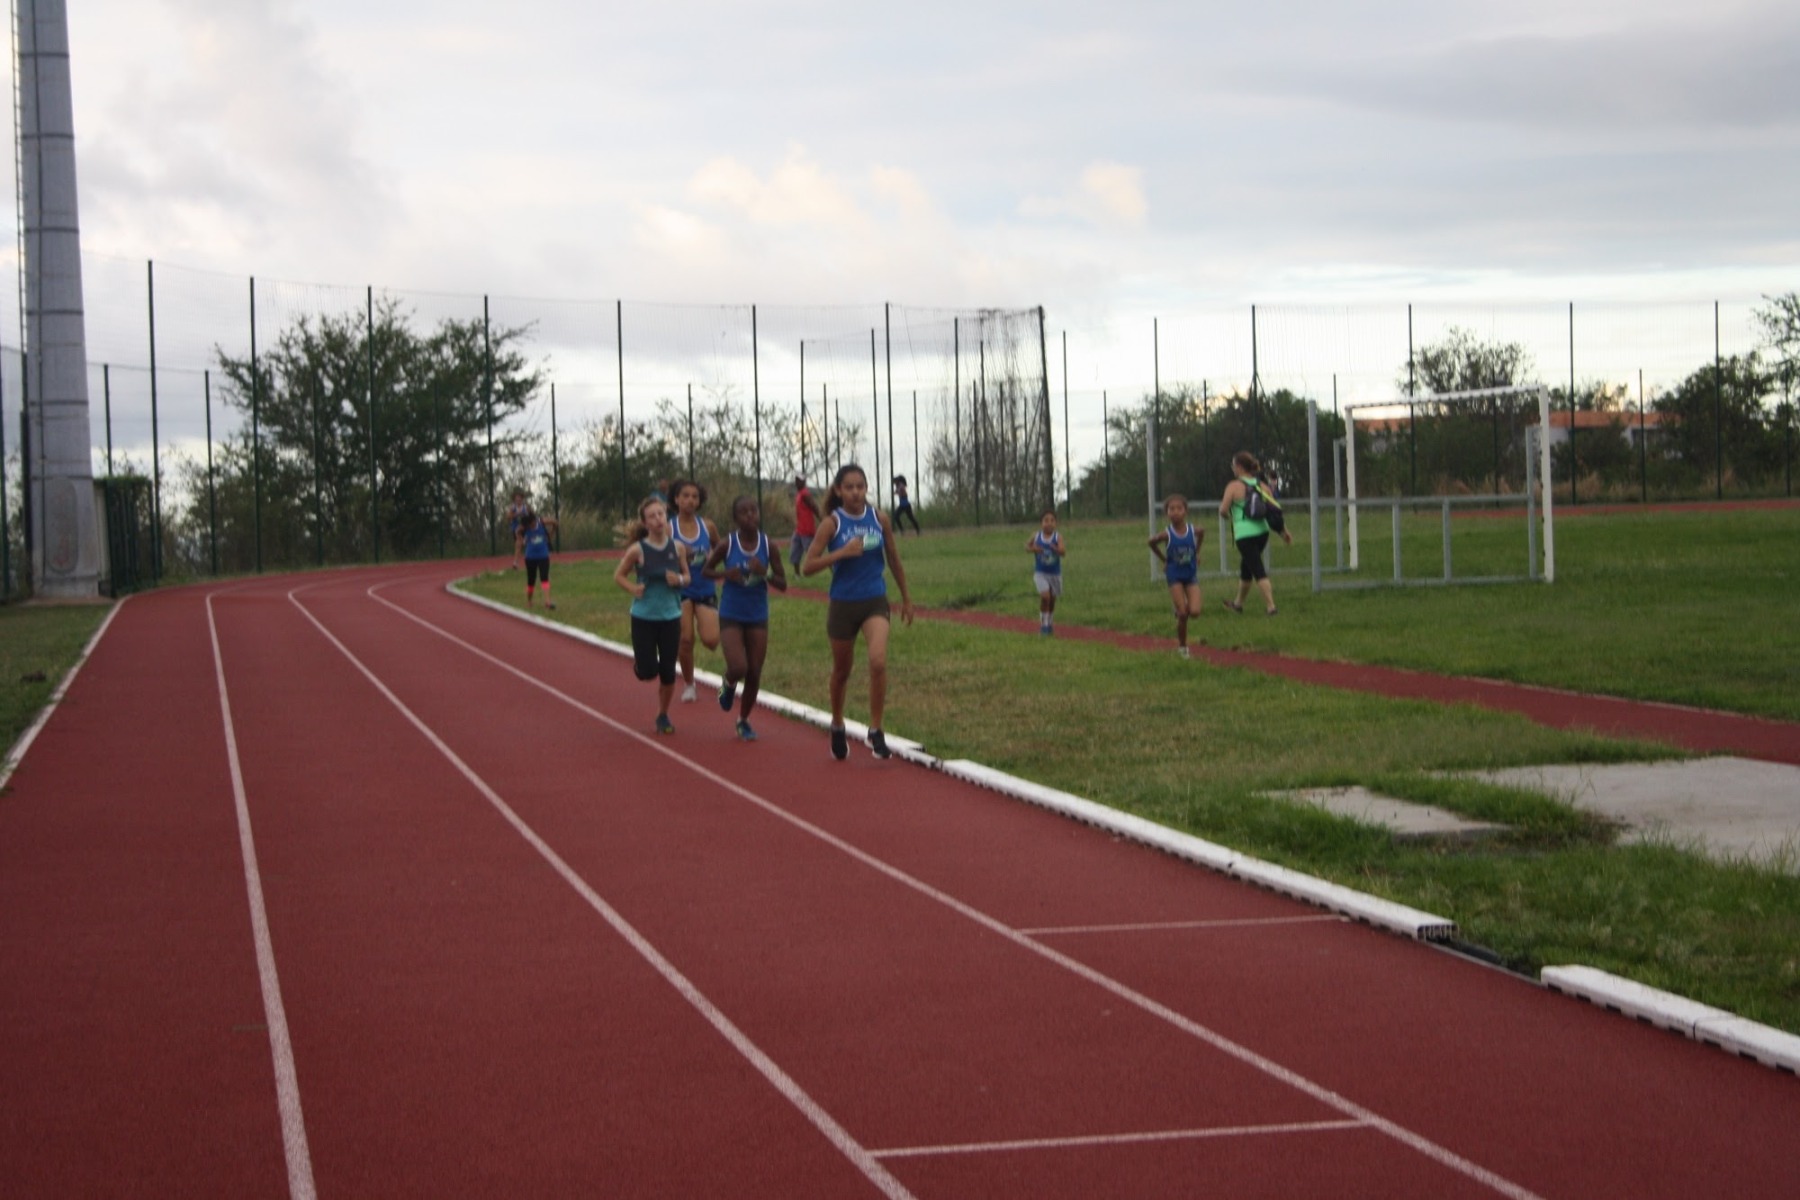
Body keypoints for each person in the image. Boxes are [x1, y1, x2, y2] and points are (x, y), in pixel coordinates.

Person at [801, 463, 915, 761]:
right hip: (843, 604)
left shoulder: (879, 519)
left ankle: (876, 729)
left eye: (860, 487)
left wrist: (906, 598)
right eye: (849, 487)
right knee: (842, 671)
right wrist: (842, 552)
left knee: (878, 661)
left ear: (866, 489)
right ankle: (837, 724)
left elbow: (893, 558)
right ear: (839, 491)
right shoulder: (832, 523)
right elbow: (807, 566)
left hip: (874, 600)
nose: (855, 492)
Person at [704, 495, 788, 741]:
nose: (750, 515)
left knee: (754, 672)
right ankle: (727, 684)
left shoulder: (768, 545)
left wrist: (766, 573)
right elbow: (706, 570)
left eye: (754, 511)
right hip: (731, 611)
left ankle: (743, 720)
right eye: (744, 512)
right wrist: (725, 574)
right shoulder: (727, 544)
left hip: (757, 613)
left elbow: (783, 583)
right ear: (735, 518)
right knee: (738, 667)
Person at [612, 496, 692, 734]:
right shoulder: (637, 550)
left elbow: (688, 577)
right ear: (645, 523)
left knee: (668, 672)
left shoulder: (677, 547)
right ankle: (642, 666)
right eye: (652, 516)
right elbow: (619, 575)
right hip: (644, 617)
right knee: (648, 672)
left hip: (670, 616)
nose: (658, 519)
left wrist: (679, 579)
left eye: (661, 514)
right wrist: (633, 589)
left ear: (666, 516)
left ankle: (663, 715)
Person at [668, 479, 722, 704]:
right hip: (679, 590)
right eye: (686, 496)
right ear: (676, 499)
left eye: (695, 497)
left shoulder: (707, 526)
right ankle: (689, 684)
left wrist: (712, 558)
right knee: (686, 639)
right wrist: (679, 557)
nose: (690, 500)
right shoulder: (669, 528)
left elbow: (720, 549)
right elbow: (656, 555)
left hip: (704, 587)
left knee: (711, 640)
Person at [1219, 451, 1292, 616]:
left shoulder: (1233, 486)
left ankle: (1271, 607)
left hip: (1244, 534)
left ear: (1239, 467)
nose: (1233, 469)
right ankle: (1238, 604)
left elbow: (1223, 510)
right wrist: (1284, 532)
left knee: (1257, 569)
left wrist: (1231, 516)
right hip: (1262, 532)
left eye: (1233, 466)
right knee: (1247, 568)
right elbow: (1274, 510)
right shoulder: (1263, 486)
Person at [1148, 494, 1203, 658]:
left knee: (1195, 612)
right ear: (1167, 513)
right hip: (1174, 575)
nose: (1175, 512)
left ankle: (1179, 608)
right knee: (1183, 614)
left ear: (1186, 511)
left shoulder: (1193, 530)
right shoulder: (1167, 534)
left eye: (1179, 508)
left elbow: (1202, 533)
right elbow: (1151, 542)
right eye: (1171, 509)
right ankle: (1183, 647)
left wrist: (1196, 553)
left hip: (1190, 574)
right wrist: (1164, 560)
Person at [1026, 509, 1065, 636]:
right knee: (1045, 597)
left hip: (1055, 574)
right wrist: (1034, 549)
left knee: (1052, 599)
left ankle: (1050, 623)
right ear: (1041, 523)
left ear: (1056, 523)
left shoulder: (1057, 537)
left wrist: (1056, 549)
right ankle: (1043, 625)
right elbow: (1027, 547)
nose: (1049, 523)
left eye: (1052, 521)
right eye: (1046, 520)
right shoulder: (1036, 536)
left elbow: (1063, 552)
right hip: (1040, 573)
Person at [519, 510, 560, 610]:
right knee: (531, 580)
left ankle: (547, 602)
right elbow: (517, 532)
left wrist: (550, 534)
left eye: (531, 523)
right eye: (528, 525)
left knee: (544, 577)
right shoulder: (525, 528)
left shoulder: (541, 523)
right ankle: (529, 601)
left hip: (543, 556)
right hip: (530, 557)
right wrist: (522, 540)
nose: (531, 526)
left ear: (534, 520)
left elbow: (555, 522)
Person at [790, 476, 820, 570]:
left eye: (798, 481)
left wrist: (822, 519)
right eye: (796, 481)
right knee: (795, 550)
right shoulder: (799, 494)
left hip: (807, 529)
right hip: (799, 529)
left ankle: (830, 566)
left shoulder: (805, 494)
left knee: (812, 552)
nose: (796, 483)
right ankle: (797, 574)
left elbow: (814, 507)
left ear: (803, 482)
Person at [504, 488, 530, 569]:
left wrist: (526, 516)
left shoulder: (525, 507)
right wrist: (516, 514)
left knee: (525, 544)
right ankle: (515, 563)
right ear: (514, 499)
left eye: (519, 498)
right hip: (516, 528)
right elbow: (508, 517)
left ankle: (531, 559)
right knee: (518, 544)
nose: (518, 500)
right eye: (516, 498)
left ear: (522, 499)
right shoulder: (513, 508)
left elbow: (531, 517)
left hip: (525, 528)